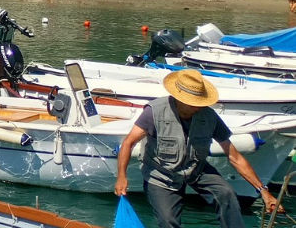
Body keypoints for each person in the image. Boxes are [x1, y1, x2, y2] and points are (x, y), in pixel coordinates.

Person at [115, 69, 280, 228]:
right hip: (161, 176)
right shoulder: (154, 112)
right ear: (180, 99)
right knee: (168, 221)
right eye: (195, 103)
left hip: (196, 169)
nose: (199, 107)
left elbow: (234, 156)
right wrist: (122, 176)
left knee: (226, 194)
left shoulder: (209, 116)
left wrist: (263, 191)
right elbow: (129, 142)